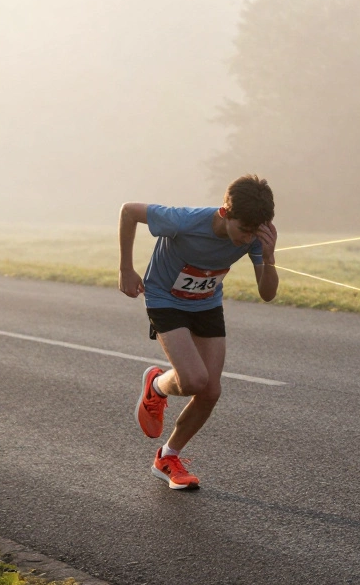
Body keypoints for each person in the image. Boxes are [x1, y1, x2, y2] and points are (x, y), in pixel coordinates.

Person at [117, 175, 278, 490]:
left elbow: (267, 293)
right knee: (192, 380)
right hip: (165, 299)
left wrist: (269, 257)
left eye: (253, 233)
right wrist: (126, 267)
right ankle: (157, 385)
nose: (247, 240)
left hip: (206, 304)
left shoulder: (256, 238)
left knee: (210, 391)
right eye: (242, 230)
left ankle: (168, 456)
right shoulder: (184, 221)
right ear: (225, 212)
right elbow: (129, 211)